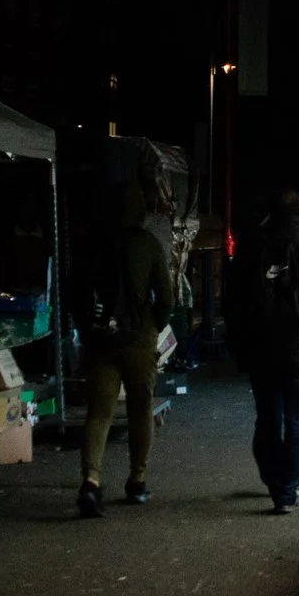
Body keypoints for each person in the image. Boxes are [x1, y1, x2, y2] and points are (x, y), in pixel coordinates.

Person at [230, 189, 299, 513]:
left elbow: (235, 300)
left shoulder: (251, 247)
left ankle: (272, 478)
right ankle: (287, 489)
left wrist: (240, 343)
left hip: (261, 349)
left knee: (267, 417)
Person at [76, 183, 174, 518]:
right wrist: (153, 328)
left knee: (99, 413)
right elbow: (166, 297)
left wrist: (87, 331)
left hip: (102, 340)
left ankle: (91, 481)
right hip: (139, 338)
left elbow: (78, 292)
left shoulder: (93, 244)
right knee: (140, 408)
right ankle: (137, 480)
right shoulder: (148, 245)